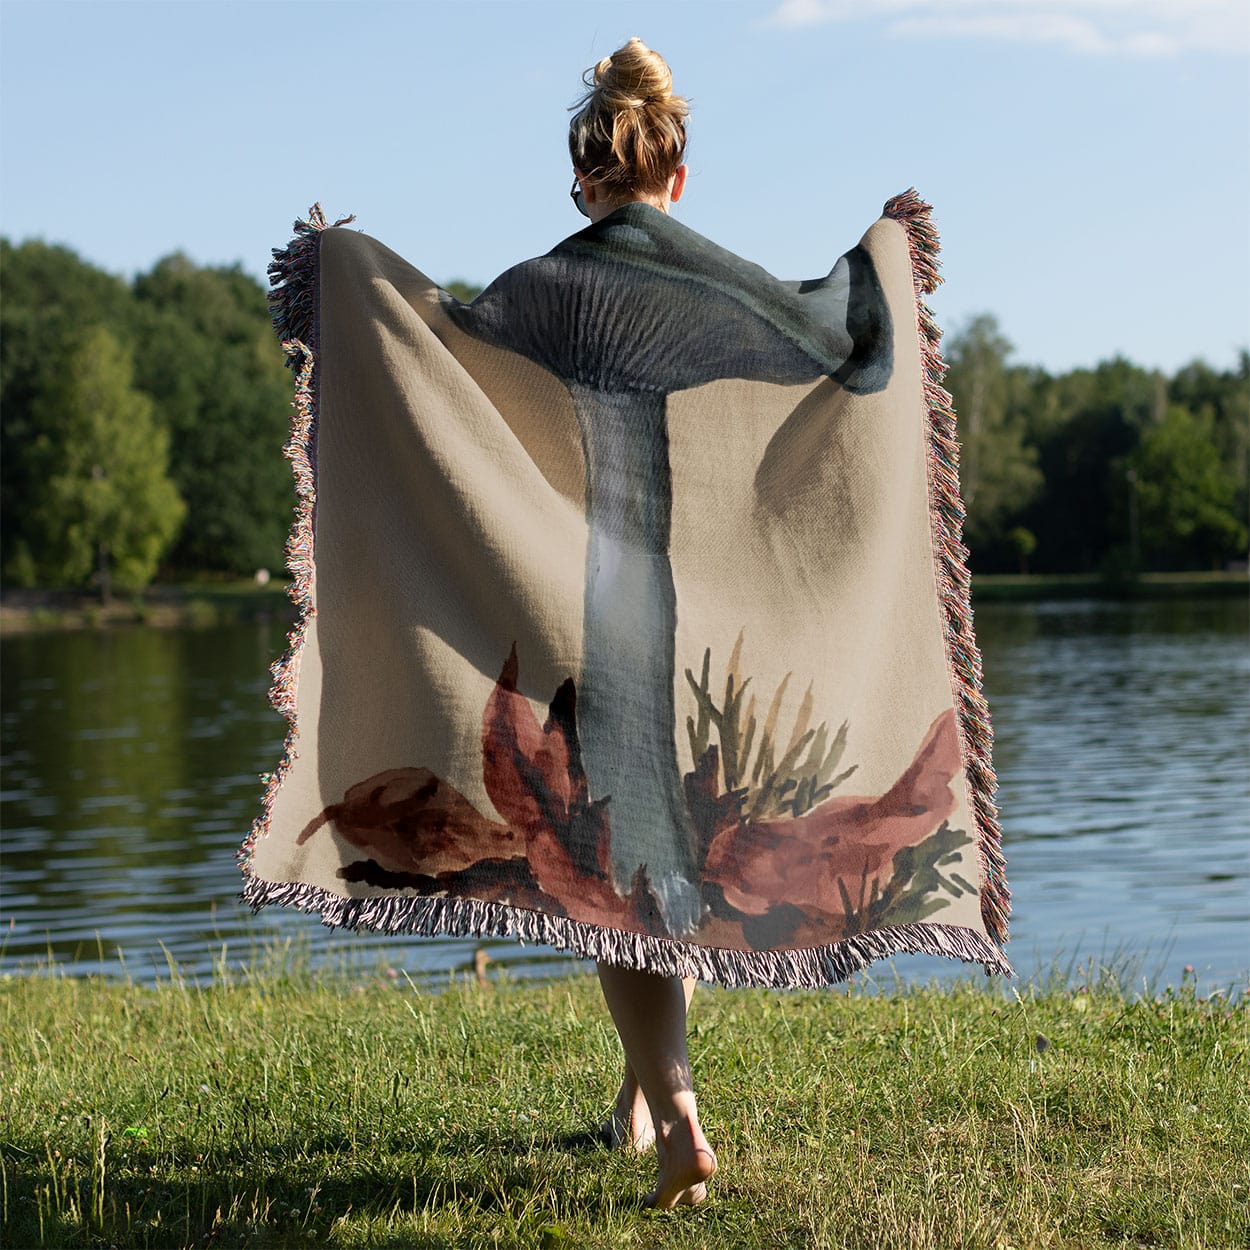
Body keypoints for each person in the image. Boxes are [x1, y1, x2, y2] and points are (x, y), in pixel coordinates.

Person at [565, 36, 717, 1212]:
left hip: (592, 605)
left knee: (615, 878)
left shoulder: (549, 283)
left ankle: (677, 1118)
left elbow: (440, 363)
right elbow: (823, 346)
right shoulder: (712, 282)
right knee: (660, 859)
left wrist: (347, 280)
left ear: (585, 179)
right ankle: (633, 1098)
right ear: (675, 175)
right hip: (700, 608)